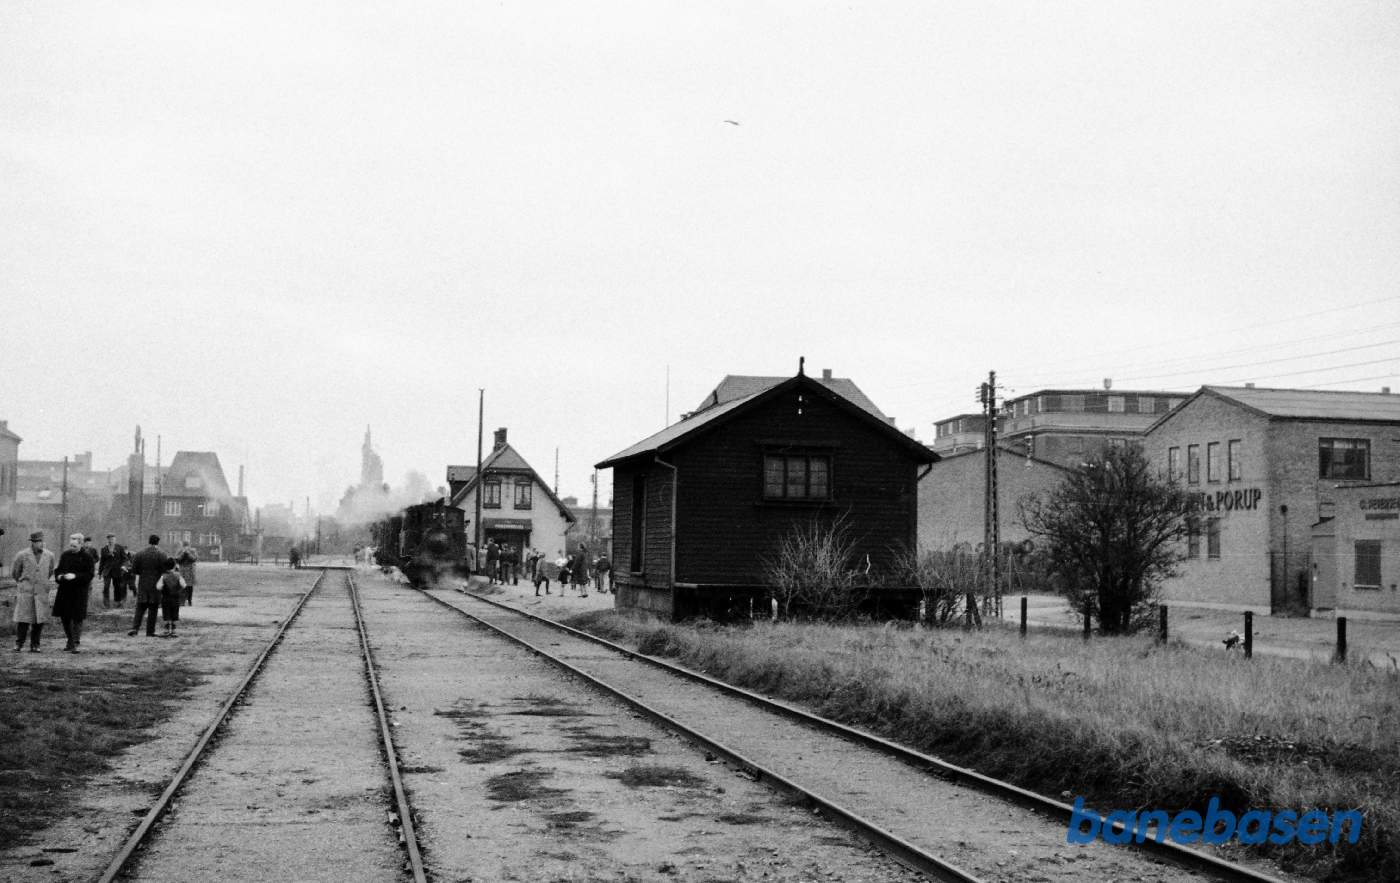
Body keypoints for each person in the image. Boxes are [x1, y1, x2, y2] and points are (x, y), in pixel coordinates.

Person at [12, 531, 56, 652]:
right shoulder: (22, 555)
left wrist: (42, 583)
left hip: (41, 591)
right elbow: (15, 573)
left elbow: (50, 571)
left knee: (39, 619)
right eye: (37, 541)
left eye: (41, 541)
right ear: (32, 543)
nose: (40, 543)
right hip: (26, 591)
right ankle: (19, 643)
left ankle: (35, 644)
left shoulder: (49, 555)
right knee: (23, 619)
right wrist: (24, 584)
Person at [53, 532, 96, 652]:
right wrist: (60, 576)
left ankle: (74, 642)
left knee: (77, 617)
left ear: (81, 544)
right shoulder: (65, 555)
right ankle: (71, 640)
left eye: (74, 546)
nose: (72, 548)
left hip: (79, 592)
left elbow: (89, 574)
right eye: (71, 545)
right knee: (65, 617)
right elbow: (58, 570)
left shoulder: (87, 557)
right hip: (65, 591)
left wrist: (75, 576)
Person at [128, 535, 169, 638]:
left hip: (143, 583)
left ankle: (135, 628)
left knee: (140, 607)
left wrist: (143, 573)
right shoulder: (162, 554)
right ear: (158, 542)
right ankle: (150, 631)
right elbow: (165, 570)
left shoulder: (140, 554)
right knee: (153, 608)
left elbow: (134, 570)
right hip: (155, 584)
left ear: (149, 541)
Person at [157, 558, 186, 637]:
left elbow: (158, 587)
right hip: (175, 598)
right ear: (174, 566)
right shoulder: (178, 575)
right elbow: (184, 585)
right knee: (175, 613)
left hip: (166, 597)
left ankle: (166, 630)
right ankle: (174, 631)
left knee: (166, 613)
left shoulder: (163, 576)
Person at [98, 533, 128, 608]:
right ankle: (106, 603)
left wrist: (124, 566)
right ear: (107, 540)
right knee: (106, 587)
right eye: (109, 539)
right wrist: (100, 572)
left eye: (112, 539)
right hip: (107, 571)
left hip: (117, 571)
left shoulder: (120, 548)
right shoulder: (104, 549)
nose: (110, 540)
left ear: (115, 539)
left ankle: (117, 602)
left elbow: (125, 558)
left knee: (117, 587)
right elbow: (102, 561)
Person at [176, 540, 198, 605]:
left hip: (189, 571)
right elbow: (177, 560)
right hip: (183, 571)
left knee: (189, 586)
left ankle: (189, 600)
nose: (186, 547)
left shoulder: (192, 551)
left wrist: (188, 554)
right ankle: (184, 600)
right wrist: (183, 554)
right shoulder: (180, 551)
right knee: (183, 586)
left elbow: (194, 559)